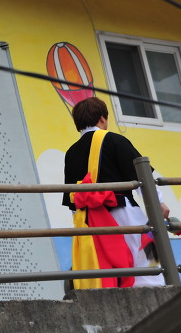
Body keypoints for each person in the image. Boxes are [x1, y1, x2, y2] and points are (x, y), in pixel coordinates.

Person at [63, 96, 169, 288]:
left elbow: (72, 198)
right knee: (149, 252)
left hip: (88, 219)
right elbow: (142, 176)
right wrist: (158, 203)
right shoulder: (114, 139)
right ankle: (157, 289)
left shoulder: (71, 153)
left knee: (107, 266)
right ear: (102, 118)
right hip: (122, 210)